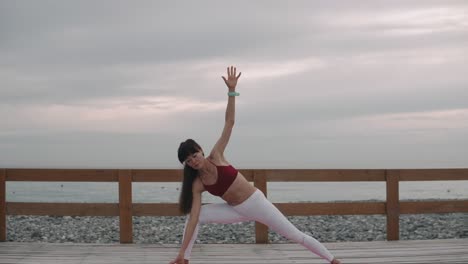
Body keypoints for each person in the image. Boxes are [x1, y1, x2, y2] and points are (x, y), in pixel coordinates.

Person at [169, 66, 341, 264]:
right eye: (188, 160)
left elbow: (229, 122)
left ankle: (332, 259)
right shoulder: (198, 183)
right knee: (196, 215)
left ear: (201, 150)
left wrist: (231, 92)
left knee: (295, 235)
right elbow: (193, 220)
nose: (193, 160)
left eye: (194, 155)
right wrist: (181, 252)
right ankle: (184, 259)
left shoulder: (217, 156)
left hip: (257, 204)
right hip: (234, 210)